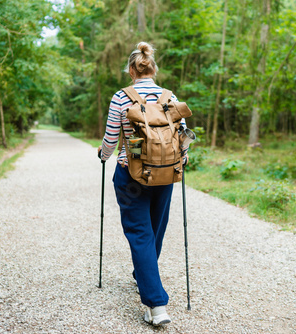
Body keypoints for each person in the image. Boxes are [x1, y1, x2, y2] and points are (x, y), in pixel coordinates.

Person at [98, 42, 187, 327]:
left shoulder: (121, 97)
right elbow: (182, 135)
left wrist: (102, 155)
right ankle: (144, 276)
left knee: (139, 234)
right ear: (152, 68)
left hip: (131, 173)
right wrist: (181, 160)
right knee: (154, 230)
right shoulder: (169, 96)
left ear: (131, 70)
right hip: (165, 173)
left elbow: (112, 139)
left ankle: (156, 304)